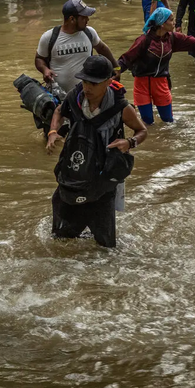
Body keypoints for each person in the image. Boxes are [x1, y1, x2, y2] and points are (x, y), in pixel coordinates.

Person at [45, 56, 148, 248]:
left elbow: (142, 131)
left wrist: (129, 142)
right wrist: (52, 132)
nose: (87, 88)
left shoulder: (121, 108)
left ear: (109, 82)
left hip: (103, 177)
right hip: (75, 171)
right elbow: (59, 111)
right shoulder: (74, 99)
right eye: (84, 81)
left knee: (105, 246)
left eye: (93, 83)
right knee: (60, 240)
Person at [118, 7, 195, 124]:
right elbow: (125, 59)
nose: (175, 23)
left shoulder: (173, 38)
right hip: (142, 83)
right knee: (147, 121)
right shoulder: (143, 41)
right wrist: (112, 72)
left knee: (168, 121)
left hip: (161, 83)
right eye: (172, 20)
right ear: (162, 23)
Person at [35, 0, 118, 94]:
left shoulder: (89, 33)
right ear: (72, 19)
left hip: (86, 94)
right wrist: (45, 70)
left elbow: (102, 48)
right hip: (58, 95)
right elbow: (39, 58)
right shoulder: (49, 37)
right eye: (84, 17)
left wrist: (116, 67)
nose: (88, 19)